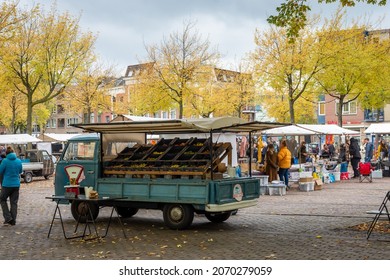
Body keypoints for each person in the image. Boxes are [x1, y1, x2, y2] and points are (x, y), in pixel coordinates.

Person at [0, 146, 23, 226]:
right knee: (14, 203)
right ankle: (13, 221)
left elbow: (0, 171)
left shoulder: (5, 161)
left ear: (6, 153)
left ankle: (8, 217)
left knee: (2, 199)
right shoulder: (18, 161)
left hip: (6, 184)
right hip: (16, 184)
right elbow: (20, 171)